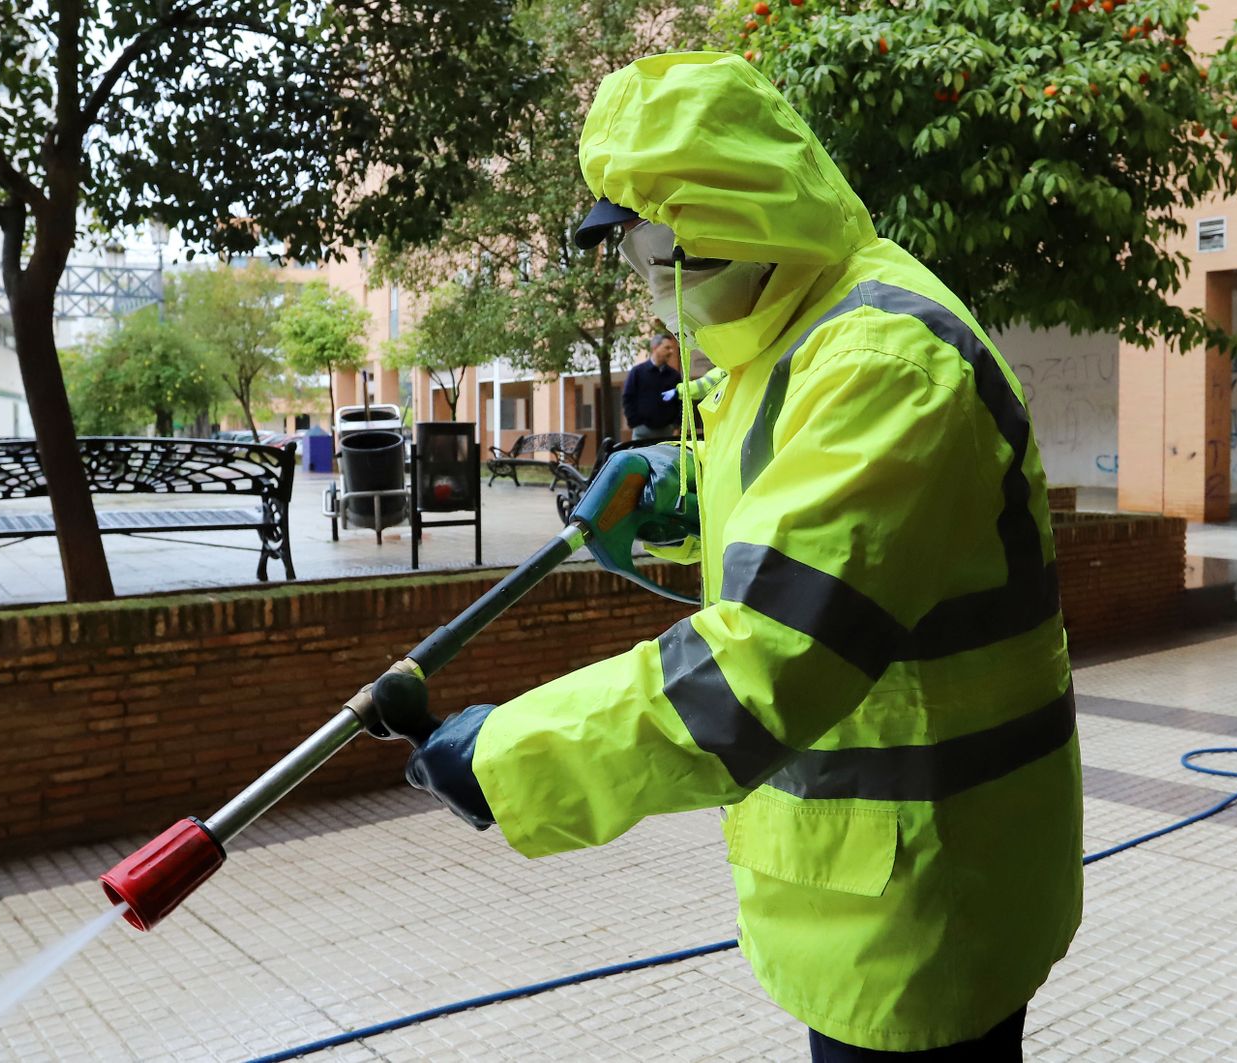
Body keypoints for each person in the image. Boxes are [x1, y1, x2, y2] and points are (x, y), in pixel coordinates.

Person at [404, 51, 1082, 1060]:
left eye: (655, 251)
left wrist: (510, 753)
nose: (649, 283)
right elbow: (807, 505)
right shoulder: (794, 330)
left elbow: (762, 663)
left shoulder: (883, 361)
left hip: (928, 895)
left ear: (724, 226)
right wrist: (676, 488)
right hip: (874, 880)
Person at [622, 333, 683, 440]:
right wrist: (635, 423)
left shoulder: (674, 375)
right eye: (667, 348)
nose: (671, 351)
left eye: (672, 348)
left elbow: (680, 401)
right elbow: (628, 398)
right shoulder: (637, 372)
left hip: (668, 432)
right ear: (655, 348)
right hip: (642, 432)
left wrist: (677, 425)